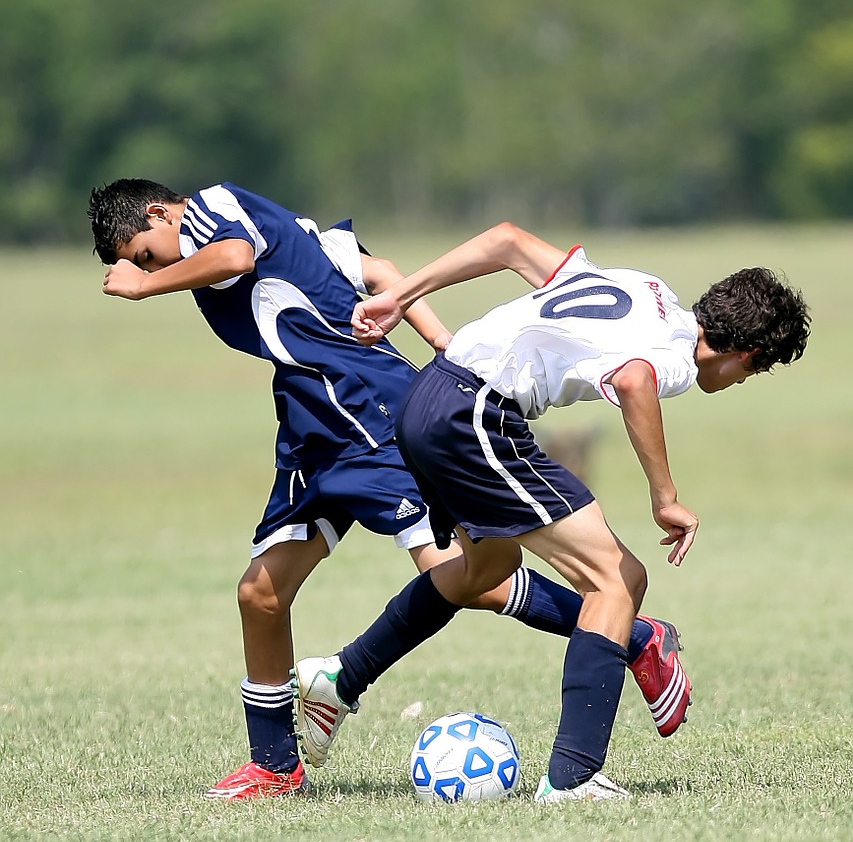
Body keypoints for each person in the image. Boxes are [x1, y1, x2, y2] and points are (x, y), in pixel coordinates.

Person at [89, 182, 693, 801]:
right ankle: (274, 764)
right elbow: (374, 269)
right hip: (311, 423)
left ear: (161, 212)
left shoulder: (216, 210)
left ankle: (637, 637)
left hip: (369, 410)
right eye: (143, 267)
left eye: (144, 253)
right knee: (260, 594)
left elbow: (235, 258)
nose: (152, 268)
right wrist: (441, 343)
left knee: (472, 574)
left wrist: (143, 286)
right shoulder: (277, 232)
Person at [293, 226, 810, 803]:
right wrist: (665, 497)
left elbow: (509, 241)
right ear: (748, 354)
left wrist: (402, 294)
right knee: (617, 579)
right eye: (750, 373)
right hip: (474, 414)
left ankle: (340, 676)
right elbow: (634, 379)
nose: (737, 381)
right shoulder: (680, 358)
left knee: (486, 567)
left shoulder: (644, 288)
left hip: (428, 397)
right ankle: (573, 777)